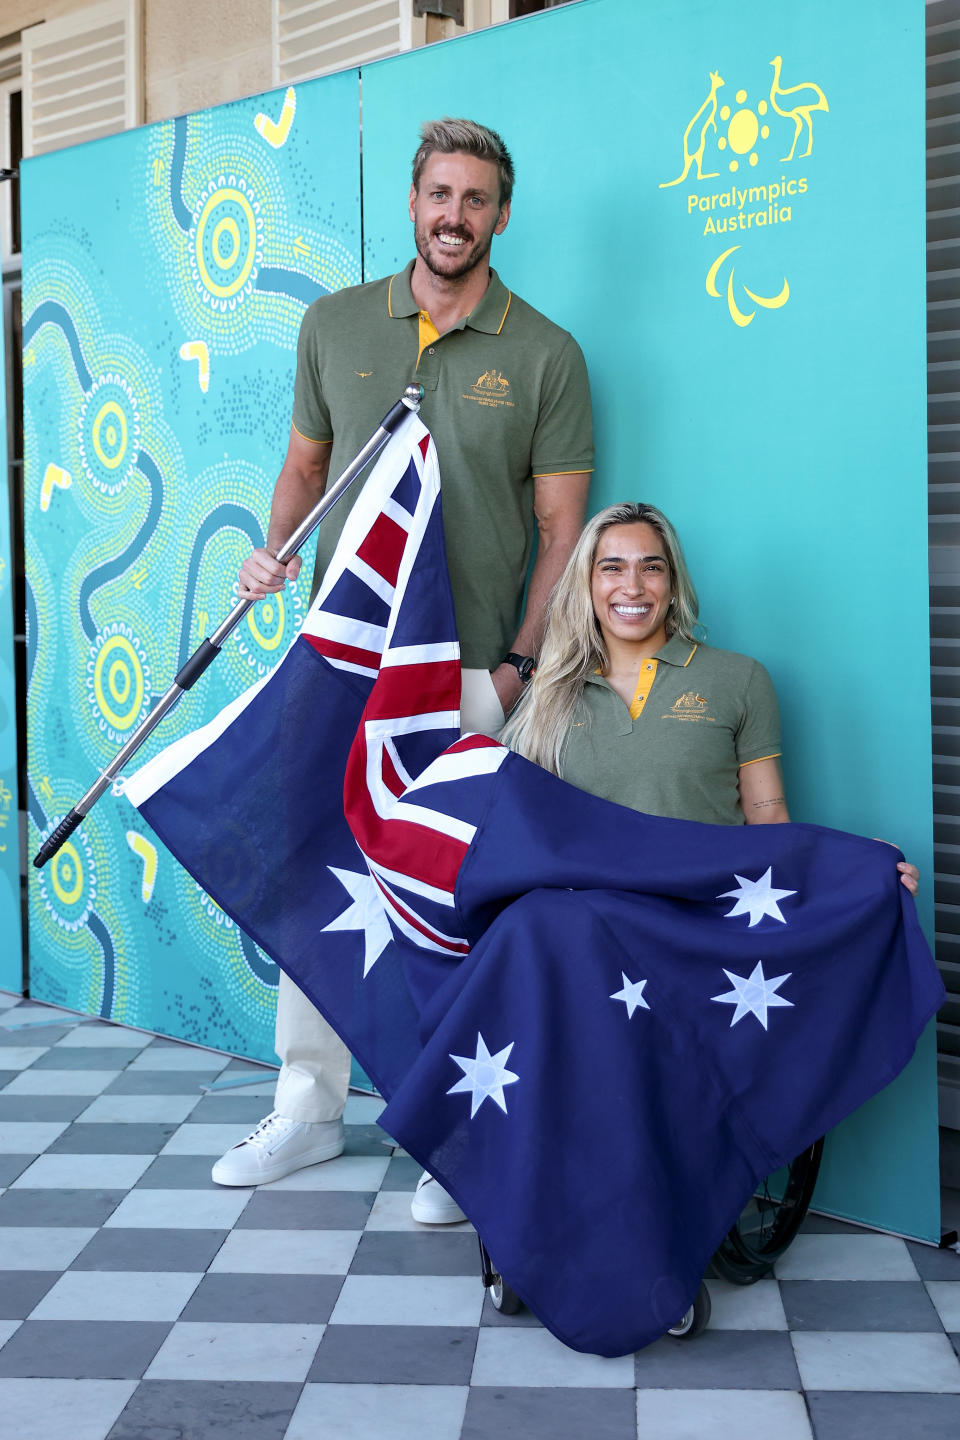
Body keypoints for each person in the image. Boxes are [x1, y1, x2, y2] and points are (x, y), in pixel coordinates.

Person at [211, 117, 594, 1222]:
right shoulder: (334, 324)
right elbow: (303, 466)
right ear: (414, 202)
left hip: (469, 673)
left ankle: (444, 1129)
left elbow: (562, 535)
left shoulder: (546, 353)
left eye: (476, 199)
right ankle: (308, 1107)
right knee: (318, 873)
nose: (454, 216)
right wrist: (272, 552)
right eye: (440, 194)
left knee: (449, 892)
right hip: (344, 666)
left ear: (502, 216)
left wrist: (518, 669)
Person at [500, 501, 919, 895]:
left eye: (651, 567)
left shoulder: (740, 678)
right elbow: (532, 833)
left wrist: (855, 868)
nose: (632, 586)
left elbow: (768, 822)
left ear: (672, 582)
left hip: (707, 921)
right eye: (612, 568)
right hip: (594, 923)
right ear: (587, 583)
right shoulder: (551, 692)